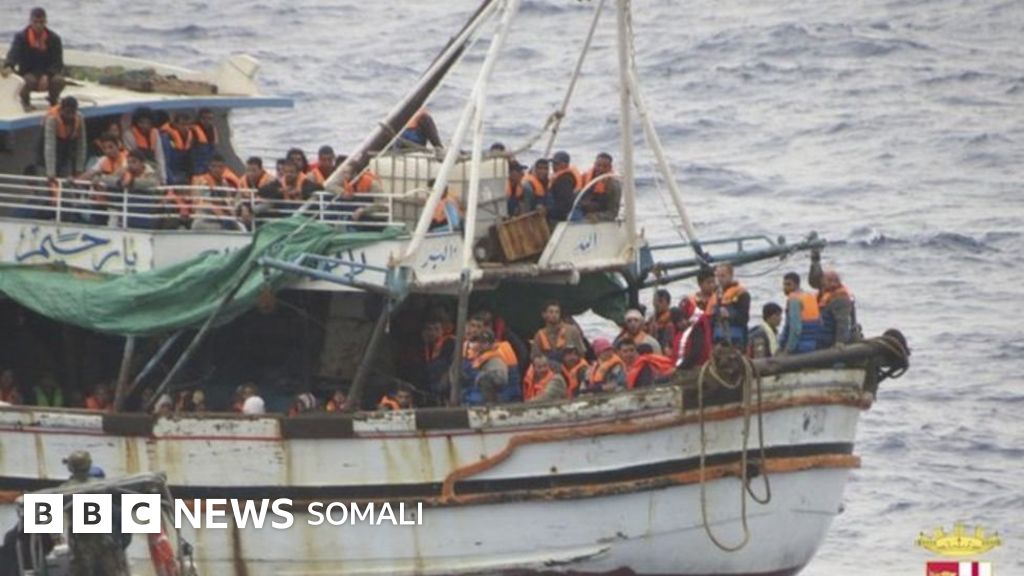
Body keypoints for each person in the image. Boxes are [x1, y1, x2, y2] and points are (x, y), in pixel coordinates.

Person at [60, 451, 130, 576]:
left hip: (81, 546)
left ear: (70, 468)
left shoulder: (65, 490)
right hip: (105, 544)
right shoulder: (103, 486)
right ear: (89, 464)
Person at [2, 8, 65, 110]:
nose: (38, 25)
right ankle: (25, 101)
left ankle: (53, 99)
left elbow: (58, 62)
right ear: (30, 21)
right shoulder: (21, 37)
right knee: (27, 81)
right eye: (35, 22)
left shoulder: (54, 39)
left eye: (41, 22)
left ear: (46, 22)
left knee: (59, 81)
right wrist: (9, 65)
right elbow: (14, 53)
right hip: (28, 73)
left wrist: (47, 75)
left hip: (48, 74)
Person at [40, 96, 86, 181]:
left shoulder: (79, 117)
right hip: (45, 151)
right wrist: (51, 172)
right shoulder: (52, 119)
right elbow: (49, 146)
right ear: (62, 109)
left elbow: (82, 144)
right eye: (67, 112)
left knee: (67, 178)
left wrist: (79, 168)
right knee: (46, 177)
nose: (70, 116)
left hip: (66, 149)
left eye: (72, 112)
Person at [706, 263, 750, 347]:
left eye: (723, 276)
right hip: (717, 339)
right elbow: (709, 318)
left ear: (731, 275)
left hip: (736, 340)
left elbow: (744, 318)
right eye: (718, 276)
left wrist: (729, 315)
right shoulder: (715, 295)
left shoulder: (742, 294)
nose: (720, 279)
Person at [813, 268, 858, 348]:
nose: (822, 285)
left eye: (824, 282)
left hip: (829, 338)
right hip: (821, 335)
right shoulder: (822, 295)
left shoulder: (840, 298)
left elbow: (843, 321)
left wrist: (840, 341)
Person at [779, 272, 822, 355]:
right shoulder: (810, 296)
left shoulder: (794, 299)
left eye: (788, 284)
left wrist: (787, 350)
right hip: (814, 344)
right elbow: (820, 322)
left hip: (799, 346)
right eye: (784, 285)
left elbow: (795, 329)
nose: (785, 288)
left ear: (796, 285)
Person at [122, 107, 167, 184]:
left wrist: (163, 178)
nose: (145, 125)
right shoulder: (128, 134)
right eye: (141, 122)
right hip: (135, 169)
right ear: (136, 122)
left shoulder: (155, 133)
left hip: (153, 169)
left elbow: (160, 157)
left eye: (148, 123)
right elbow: (130, 156)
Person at [465, 330, 508, 405]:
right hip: (470, 400)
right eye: (479, 342)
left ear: (491, 344)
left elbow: (500, 381)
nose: (481, 345)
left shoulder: (496, 361)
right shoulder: (475, 358)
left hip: (485, 405)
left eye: (484, 342)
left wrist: (483, 376)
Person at [575, 152, 621, 221]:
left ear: (610, 167)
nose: (601, 169)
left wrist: (597, 216)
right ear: (594, 165)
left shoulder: (614, 186)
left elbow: (613, 213)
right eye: (598, 165)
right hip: (581, 210)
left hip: (597, 216)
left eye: (605, 166)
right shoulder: (586, 177)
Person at [421, 318, 455, 403]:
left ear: (442, 330)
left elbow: (451, 365)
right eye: (429, 329)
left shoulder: (450, 343)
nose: (432, 333)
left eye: (436, 329)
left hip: (445, 384)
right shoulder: (421, 345)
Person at [546, 150, 582, 222]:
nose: (553, 166)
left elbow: (565, 204)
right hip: (566, 211)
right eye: (553, 163)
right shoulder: (561, 177)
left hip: (566, 214)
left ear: (564, 165)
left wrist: (548, 212)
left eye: (556, 163)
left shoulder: (564, 180)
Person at [160, 112, 194, 184]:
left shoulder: (190, 137)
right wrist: (171, 180)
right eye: (183, 124)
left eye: (188, 125)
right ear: (175, 124)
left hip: (183, 174)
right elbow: (165, 162)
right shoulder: (166, 137)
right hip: (171, 174)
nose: (186, 128)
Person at [189, 107, 219, 175]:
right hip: (196, 164)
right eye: (204, 118)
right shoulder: (192, 130)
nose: (207, 120)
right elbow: (189, 152)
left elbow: (214, 149)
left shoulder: (212, 129)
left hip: (210, 164)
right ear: (199, 118)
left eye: (210, 118)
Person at [647, 289, 677, 353]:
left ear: (668, 303)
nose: (657, 304)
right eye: (655, 301)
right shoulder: (651, 319)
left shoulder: (673, 318)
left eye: (660, 301)